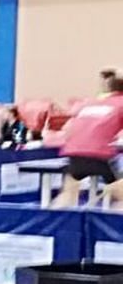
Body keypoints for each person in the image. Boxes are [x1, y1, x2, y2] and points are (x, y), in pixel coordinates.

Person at [53, 77, 123, 207]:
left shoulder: (92, 103)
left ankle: (51, 221)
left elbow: (68, 129)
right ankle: (117, 225)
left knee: (69, 191)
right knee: (120, 194)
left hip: (74, 151)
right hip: (99, 153)